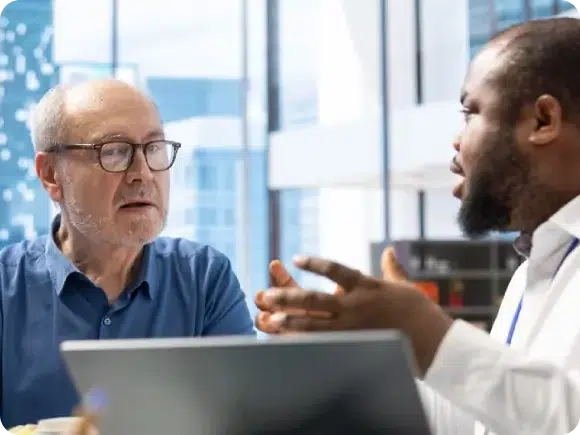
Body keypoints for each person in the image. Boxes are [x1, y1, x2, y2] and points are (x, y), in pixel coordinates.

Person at [256, 18, 580, 435]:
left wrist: (429, 334)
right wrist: (350, 361)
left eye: (471, 113)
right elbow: (486, 423)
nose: (457, 141)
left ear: (542, 119)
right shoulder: (537, 269)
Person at [0, 79, 255, 428]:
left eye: (154, 148)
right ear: (50, 174)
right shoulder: (5, 289)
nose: (144, 174)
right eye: (114, 151)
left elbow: (242, 421)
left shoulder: (205, 279)